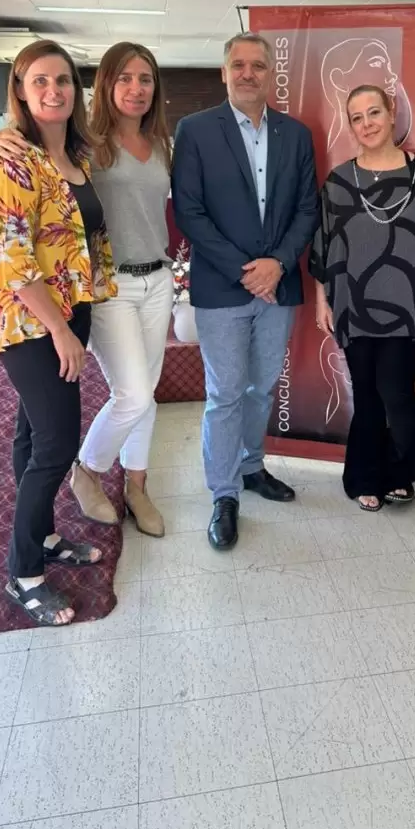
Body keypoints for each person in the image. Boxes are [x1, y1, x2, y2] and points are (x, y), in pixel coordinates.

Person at [0, 43, 174, 537]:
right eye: (125, 78)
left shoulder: (160, 143)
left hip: (159, 279)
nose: (136, 88)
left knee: (147, 394)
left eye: (146, 79)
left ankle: (136, 484)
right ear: (105, 85)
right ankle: (88, 470)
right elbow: (32, 150)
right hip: (110, 284)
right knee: (131, 393)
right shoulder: (88, 144)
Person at [0, 40, 116, 627]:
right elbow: (11, 256)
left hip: (70, 311)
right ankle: (22, 572)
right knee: (57, 444)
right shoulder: (13, 160)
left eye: (63, 80)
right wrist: (62, 331)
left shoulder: (77, 158)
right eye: (40, 82)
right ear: (22, 92)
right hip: (32, 322)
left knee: (34, 438)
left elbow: (87, 239)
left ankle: (45, 537)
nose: (54, 91)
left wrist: (88, 307)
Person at [171, 32, 319, 550]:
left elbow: (307, 208)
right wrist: (243, 270)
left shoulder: (295, 135)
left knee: (261, 388)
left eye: (258, 65)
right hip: (221, 287)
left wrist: (277, 264)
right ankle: (223, 493)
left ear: (269, 72)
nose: (248, 73)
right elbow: (190, 211)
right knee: (224, 393)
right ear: (224, 72)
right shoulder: (194, 130)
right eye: (239, 65)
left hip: (277, 287)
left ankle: (252, 466)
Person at [310, 85, 415, 511]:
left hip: (408, 306)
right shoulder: (339, 181)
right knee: (367, 395)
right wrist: (323, 301)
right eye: (357, 117)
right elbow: (324, 247)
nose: (367, 123)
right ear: (350, 125)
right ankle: (364, 477)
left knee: (396, 390)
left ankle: (406, 468)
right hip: (354, 307)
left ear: (392, 114)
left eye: (374, 112)